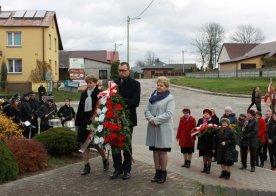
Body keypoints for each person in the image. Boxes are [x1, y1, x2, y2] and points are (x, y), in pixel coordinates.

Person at [110, 62, 141, 180]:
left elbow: (136, 102)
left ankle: (127, 170)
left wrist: (120, 99)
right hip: (114, 118)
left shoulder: (135, 84)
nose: (121, 72)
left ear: (129, 70)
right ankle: (117, 168)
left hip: (128, 119)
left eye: (123, 70)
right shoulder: (114, 83)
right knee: (114, 144)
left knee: (126, 144)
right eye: (119, 70)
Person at [75, 75, 109, 175]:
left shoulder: (99, 94)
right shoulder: (84, 94)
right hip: (84, 121)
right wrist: (77, 122)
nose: (89, 84)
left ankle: (105, 159)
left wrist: (97, 118)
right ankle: (86, 166)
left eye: (91, 82)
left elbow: (103, 108)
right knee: (84, 144)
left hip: (95, 121)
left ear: (95, 83)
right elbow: (80, 108)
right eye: (88, 83)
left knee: (96, 144)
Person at [145, 76, 175, 184]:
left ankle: (163, 173)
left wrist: (156, 120)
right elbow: (147, 109)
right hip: (153, 128)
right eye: (157, 85)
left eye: (161, 85)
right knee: (155, 151)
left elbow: (169, 113)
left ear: (166, 87)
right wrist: (150, 119)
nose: (158, 87)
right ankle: (157, 172)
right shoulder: (152, 96)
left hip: (163, 128)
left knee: (162, 152)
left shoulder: (170, 98)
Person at [197, 109, 218, 174]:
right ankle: (204, 167)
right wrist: (200, 130)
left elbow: (215, 130)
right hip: (202, 140)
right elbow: (197, 128)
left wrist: (209, 131)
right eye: (205, 113)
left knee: (209, 155)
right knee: (204, 154)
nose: (206, 115)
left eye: (207, 114)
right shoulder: (200, 120)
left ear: (210, 115)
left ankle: (209, 168)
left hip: (210, 140)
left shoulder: (213, 121)